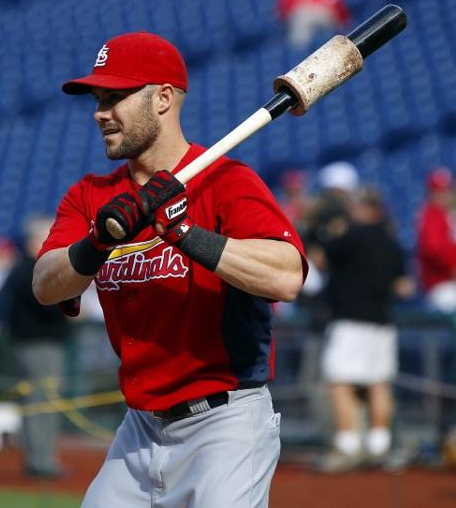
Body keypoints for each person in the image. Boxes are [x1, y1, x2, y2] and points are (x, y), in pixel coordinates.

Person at [32, 31, 307, 507]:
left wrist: (184, 234)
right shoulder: (90, 195)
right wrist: (97, 241)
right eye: (98, 98)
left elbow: (286, 276)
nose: (100, 112)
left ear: (162, 98)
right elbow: (45, 285)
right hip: (138, 428)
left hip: (225, 423)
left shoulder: (225, 181)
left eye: (115, 97)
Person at [317, 187, 414, 472]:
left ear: (366, 209)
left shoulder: (353, 235)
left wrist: (332, 231)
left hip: (350, 320)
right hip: (382, 321)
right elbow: (403, 285)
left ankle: (347, 446)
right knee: (378, 382)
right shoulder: (392, 240)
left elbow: (323, 257)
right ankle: (379, 446)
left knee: (339, 382)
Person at [2, 216, 71, 479]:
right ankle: (41, 460)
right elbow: (49, 305)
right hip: (39, 345)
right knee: (41, 403)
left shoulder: (22, 268)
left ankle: (40, 457)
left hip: (37, 344)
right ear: (35, 241)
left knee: (40, 402)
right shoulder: (31, 270)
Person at [416, 167, 456, 313]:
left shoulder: (450, 214)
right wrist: (454, 266)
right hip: (443, 285)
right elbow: (433, 248)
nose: (443, 195)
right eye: (438, 192)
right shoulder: (431, 215)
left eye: (446, 190)